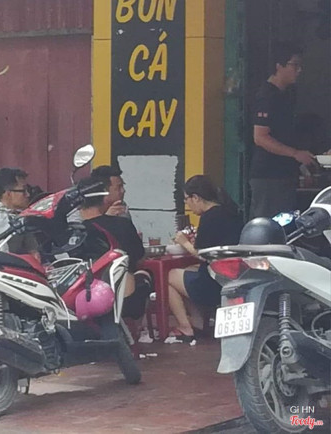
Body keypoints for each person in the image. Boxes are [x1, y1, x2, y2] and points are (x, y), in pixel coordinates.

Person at [249, 42, 331, 219]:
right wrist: (294, 153)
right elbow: (260, 137)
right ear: (279, 66)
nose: (299, 70)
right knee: (267, 225)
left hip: (286, 174)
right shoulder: (266, 96)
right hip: (269, 176)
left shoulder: (288, 94)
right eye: (295, 65)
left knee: (286, 225)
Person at [166, 175, 243, 345]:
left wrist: (184, 242)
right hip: (234, 276)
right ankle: (198, 322)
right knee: (189, 272)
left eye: (187, 199)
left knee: (167, 276)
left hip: (213, 283)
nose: (187, 204)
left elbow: (202, 255)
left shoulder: (209, 217)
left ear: (196, 197)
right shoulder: (231, 213)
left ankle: (186, 327)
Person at [74, 176, 151, 320]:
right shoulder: (122, 224)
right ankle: (139, 327)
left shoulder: (73, 234)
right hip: (125, 300)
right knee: (144, 274)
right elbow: (139, 258)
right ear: (104, 198)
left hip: (82, 300)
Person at [0, 167, 38, 254]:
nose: (28, 194)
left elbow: (33, 250)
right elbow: (2, 257)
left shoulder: (19, 215)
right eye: (23, 191)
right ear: (8, 194)